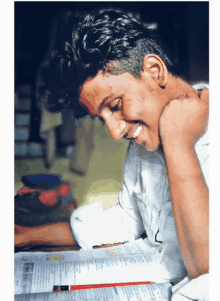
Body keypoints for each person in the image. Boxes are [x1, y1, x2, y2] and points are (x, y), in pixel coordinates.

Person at [15, 8, 209, 300]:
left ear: (155, 71)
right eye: (100, 117)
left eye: (116, 105)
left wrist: (177, 140)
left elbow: (208, 274)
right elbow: (125, 219)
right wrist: (28, 237)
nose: (115, 132)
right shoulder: (144, 145)